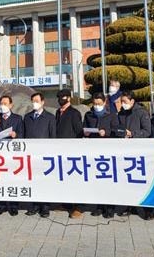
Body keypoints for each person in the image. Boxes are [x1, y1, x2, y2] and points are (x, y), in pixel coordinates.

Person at [83, 92, 120, 218]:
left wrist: (107, 132)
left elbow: (117, 130)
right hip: (93, 151)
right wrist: (86, 132)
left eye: (99, 104)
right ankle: (99, 206)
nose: (96, 106)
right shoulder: (89, 115)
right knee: (96, 181)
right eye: (94, 104)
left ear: (104, 103)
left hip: (107, 152)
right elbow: (84, 128)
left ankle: (110, 208)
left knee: (108, 181)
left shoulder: (111, 115)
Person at [116, 91, 151, 218]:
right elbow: (118, 129)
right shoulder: (121, 113)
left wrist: (132, 134)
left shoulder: (141, 112)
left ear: (132, 101)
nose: (123, 104)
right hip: (125, 151)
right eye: (122, 102)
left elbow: (147, 131)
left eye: (125, 102)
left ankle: (145, 209)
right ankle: (128, 206)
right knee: (127, 180)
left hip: (139, 150)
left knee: (140, 181)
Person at [23, 92, 55, 218]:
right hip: (31, 155)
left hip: (45, 155)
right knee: (33, 180)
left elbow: (53, 137)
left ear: (42, 102)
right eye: (33, 101)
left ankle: (45, 207)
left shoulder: (50, 117)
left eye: (36, 101)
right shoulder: (27, 117)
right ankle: (34, 205)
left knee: (45, 181)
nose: (34, 103)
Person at [55, 88, 84, 219]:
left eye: (63, 97)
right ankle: (66, 203)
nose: (60, 100)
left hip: (72, 150)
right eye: (59, 97)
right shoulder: (58, 112)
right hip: (60, 150)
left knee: (75, 178)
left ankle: (78, 206)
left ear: (68, 98)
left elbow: (79, 131)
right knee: (63, 178)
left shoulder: (74, 113)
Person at [0, 95, 23, 216]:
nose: (3, 106)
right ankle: (0, 205)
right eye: (1, 103)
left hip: (12, 154)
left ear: (11, 105)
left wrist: (16, 134)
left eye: (5, 103)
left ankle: (14, 205)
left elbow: (22, 134)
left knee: (13, 179)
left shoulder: (17, 118)